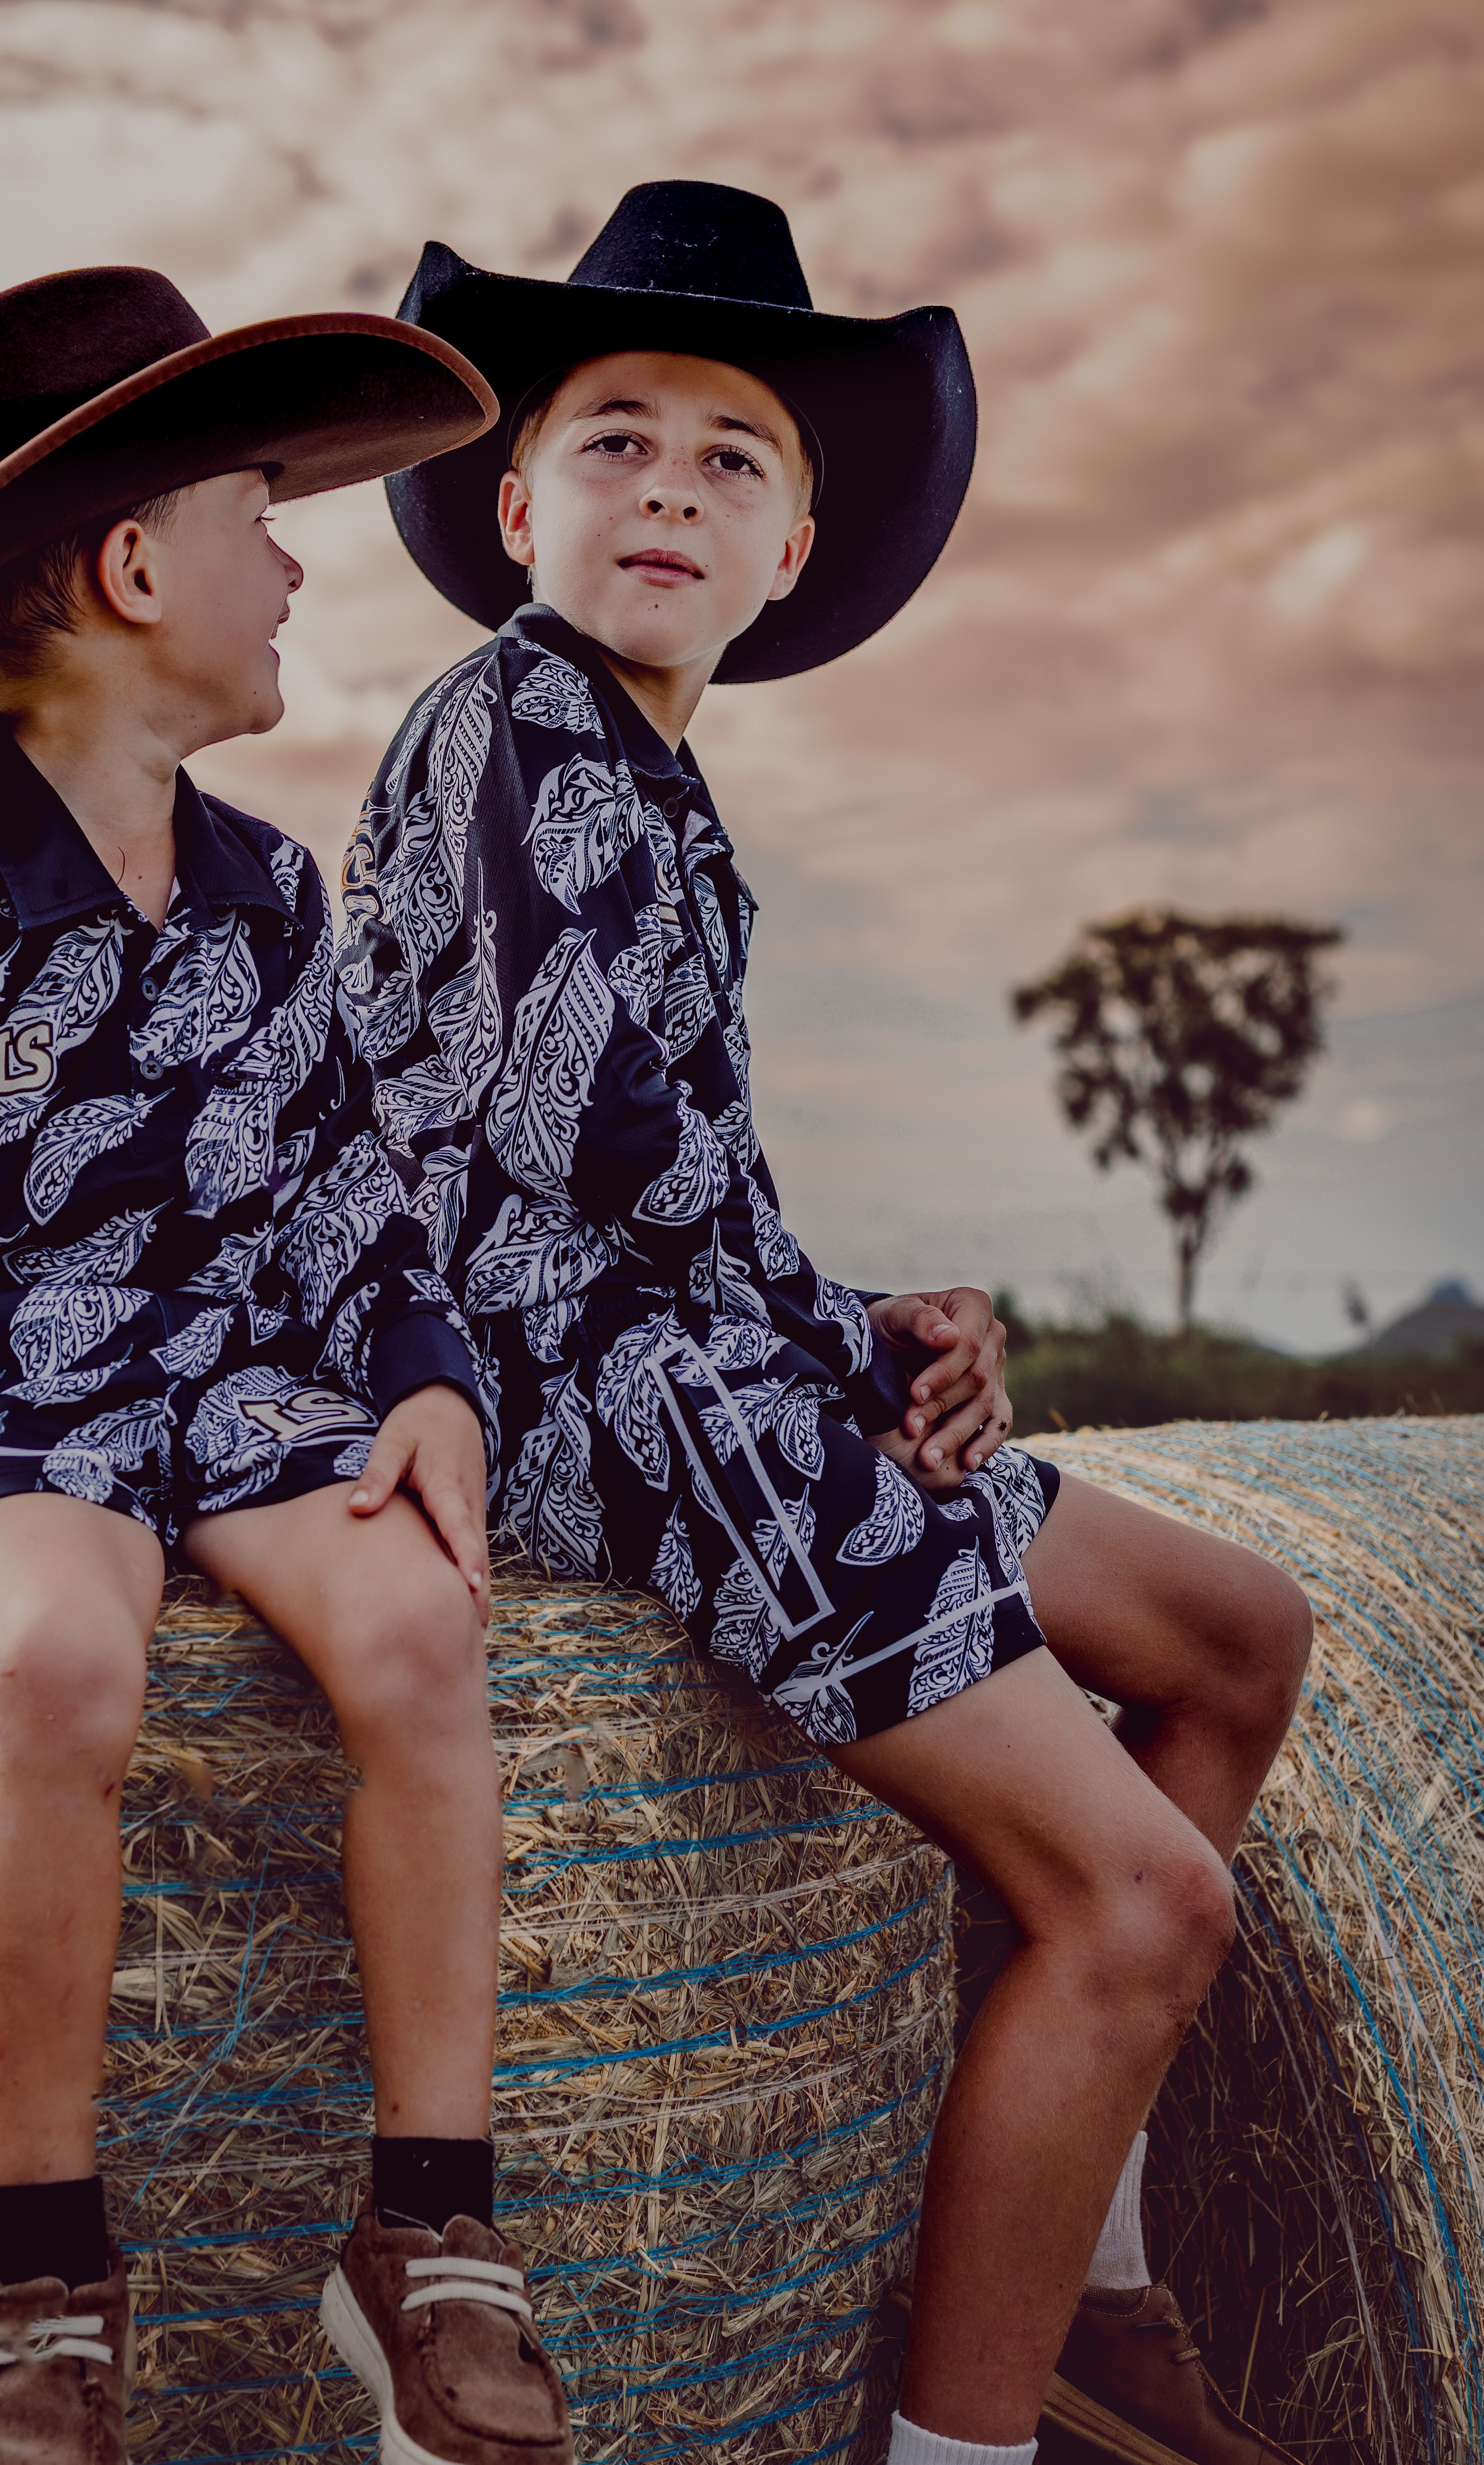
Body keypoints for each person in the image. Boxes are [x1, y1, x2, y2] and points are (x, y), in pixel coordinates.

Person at [337, 182, 1313, 2465]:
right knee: (1142, 1899)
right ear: (513, 508)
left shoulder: (652, 773)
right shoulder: (512, 725)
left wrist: (864, 1317)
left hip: (707, 1358)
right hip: (578, 1396)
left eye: (730, 456)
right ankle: (963, 2447)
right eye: (613, 438)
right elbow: (581, 1133)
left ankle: (1091, 2277)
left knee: (1239, 1634)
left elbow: (679, 1176)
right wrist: (841, 1335)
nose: (668, 486)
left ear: (791, 551)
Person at [0, 273, 573, 2465]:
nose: (298, 567)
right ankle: (45, 2269)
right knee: (66, 1655)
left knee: (422, 1623)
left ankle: (431, 2226)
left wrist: (424, 1372)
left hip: (218, 1367)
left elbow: (339, 1186)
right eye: (265, 519)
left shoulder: (268, 892)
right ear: (138, 571)